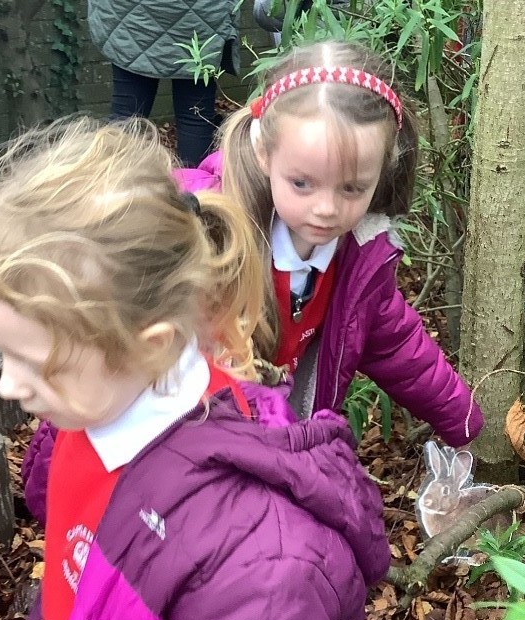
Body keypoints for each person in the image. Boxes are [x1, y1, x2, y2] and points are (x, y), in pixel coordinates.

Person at [0, 116, 390, 620]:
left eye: (32, 362)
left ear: (152, 343)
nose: (10, 388)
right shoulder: (100, 401)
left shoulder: (258, 558)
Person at [179, 40, 485, 445]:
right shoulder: (202, 231)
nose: (326, 210)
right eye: (302, 183)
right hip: (194, 436)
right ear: (263, 152)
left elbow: (396, 345)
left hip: (280, 435)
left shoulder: (359, 260)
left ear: (382, 173)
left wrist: (463, 419)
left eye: (351, 188)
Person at [87, 0, 240, 166]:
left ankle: (112, 178)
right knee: (194, 115)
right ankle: (195, 181)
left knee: (126, 113)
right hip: (199, 15)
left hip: (132, 15)